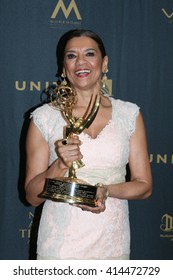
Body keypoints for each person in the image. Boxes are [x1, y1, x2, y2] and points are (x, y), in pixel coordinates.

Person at [25, 29, 152, 260]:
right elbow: (32, 196)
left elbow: (144, 186)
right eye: (71, 56)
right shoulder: (43, 118)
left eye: (89, 54)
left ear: (104, 63)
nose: (80, 62)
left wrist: (105, 191)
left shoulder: (129, 114)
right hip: (59, 246)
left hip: (112, 243)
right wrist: (60, 165)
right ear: (64, 69)